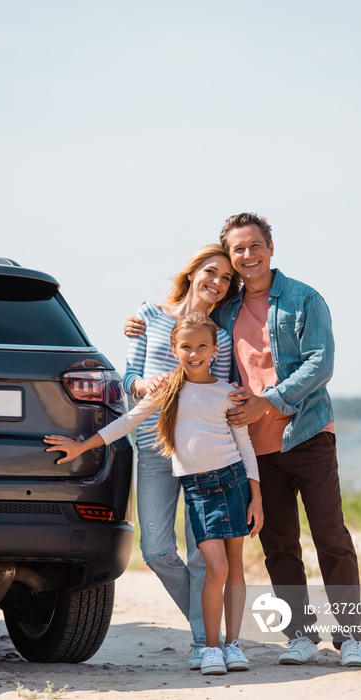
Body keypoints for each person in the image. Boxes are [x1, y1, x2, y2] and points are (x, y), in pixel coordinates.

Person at [45, 312, 264, 675]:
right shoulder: (168, 391)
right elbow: (128, 422)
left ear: (214, 349)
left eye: (202, 347)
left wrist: (257, 498)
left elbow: (246, 448)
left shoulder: (227, 394)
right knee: (217, 567)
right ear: (174, 348)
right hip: (198, 489)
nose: (194, 353)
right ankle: (210, 646)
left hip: (233, 482)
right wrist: (81, 447)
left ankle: (234, 645)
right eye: (186, 347)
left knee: (235, 568)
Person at [210, 212, 361, 667]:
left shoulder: (304, 299)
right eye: (238, 249)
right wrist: (140, 321)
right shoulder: (224, 311)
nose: (247, 255)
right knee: (278, 543)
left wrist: (269, 400)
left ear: (270, 248)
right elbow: (185, 329)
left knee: (331, 536)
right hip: (254, 447)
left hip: (308, 434)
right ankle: (299, 635)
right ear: (231, 257)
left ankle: (352, 636)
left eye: (254, 245)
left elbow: (321, 364)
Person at [109, 244, 240, 670]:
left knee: (204, 555)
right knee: (157, 549)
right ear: (193, 271)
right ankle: (212, 632)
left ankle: (205, 644)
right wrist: (145, 385)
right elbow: (128, 377)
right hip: (153, 447)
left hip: (204, 455)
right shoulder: (148, 316)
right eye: (211, 272)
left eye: (225, 279)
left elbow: (218, 392)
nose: (217, 283)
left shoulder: (219, 330)